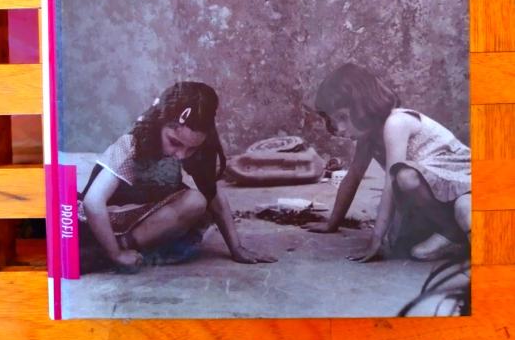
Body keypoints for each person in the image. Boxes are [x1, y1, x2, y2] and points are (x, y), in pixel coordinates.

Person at [79, 81, 275, 272]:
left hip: (145, 216)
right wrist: (115, 253)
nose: (181, 155)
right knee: (194, 202)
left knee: (197, 201)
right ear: (159, 123)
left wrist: (236, 248)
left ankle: (117, 250)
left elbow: (213, 194)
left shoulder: (193, 146)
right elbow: (93, 202)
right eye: (174, 142)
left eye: (191, 149)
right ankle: (104, 253)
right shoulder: (133, 144)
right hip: (105, 220)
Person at [305, 63, 471, 262]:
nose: (339, 128)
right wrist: (332, 223)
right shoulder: (368, 136)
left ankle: (451, 231)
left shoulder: (396, 123)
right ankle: (453, 231)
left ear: (363, 106)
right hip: (439, 194)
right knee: (412, 248)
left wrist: (376, 238)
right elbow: (353, 177)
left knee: (405, 177)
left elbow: (391, 183)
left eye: (343, 117)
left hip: (464, 181)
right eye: (333, 120)